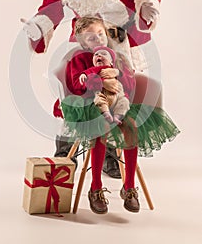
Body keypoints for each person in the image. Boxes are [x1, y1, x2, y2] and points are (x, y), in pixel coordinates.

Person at [22, 0, 162, 178]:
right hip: (82, 43)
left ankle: (111, 155)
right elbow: (51, 7)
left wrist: (145, 5)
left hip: (118, 43)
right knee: (75, 92)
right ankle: (65, 154)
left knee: (117, 95)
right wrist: (38, 28)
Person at [60, 16, 180, 214]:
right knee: (102, 126)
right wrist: (97, 80)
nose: (98, 40)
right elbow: (75, 85)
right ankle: (96, 187)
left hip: (118, 102)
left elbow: (130, 87)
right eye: (91, 38)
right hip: (91, 104)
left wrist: (120, 74)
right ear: (82, 43)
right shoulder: (79, 59)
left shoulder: (117, 57)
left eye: (100, 34)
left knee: (131, 125)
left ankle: (129, 187)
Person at [79, 46, 130, 125]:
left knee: (124, 102)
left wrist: (118, 72)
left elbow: (126, 80)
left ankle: (117, 116)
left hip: (117, 94)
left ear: (111, 62)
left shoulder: (114, 69)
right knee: (99, 100)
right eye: (96, 55)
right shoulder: (96, 69)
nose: (99, 55)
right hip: (102, 92)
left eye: (104, 54)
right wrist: (83, 74)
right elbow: (89, 72)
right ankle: (106, 113)